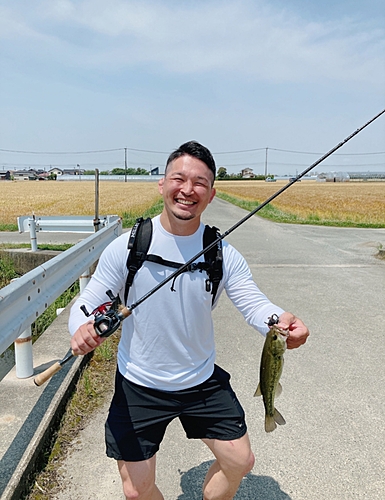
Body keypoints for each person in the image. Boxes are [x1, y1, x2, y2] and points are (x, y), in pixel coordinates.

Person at [69, 141, 309, 500]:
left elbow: (253, 303)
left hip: (200, 378)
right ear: (162, 185)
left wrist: (281, 321)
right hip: (140, 381)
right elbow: (90, 300)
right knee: (136, 491)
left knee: (240, 461)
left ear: (211, 194)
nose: (187, 189)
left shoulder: (222, 252)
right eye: (178, 179)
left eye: (200, 182)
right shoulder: (128, 247)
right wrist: (81, 327)